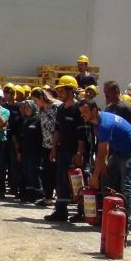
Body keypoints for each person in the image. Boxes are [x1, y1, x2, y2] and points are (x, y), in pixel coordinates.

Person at [80, 100, 131, 224]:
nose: (82, 115)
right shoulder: (97, 122)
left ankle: (125, 220)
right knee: (107, 181)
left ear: (94, 110)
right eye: (81, 112)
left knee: (126, 185)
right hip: (119, 152)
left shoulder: (104, 124)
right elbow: (105, 149)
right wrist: (104, 163)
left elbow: (101, 151)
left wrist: (94, 177)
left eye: (85, 112)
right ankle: (109, 215)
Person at [45, 75, 89, 222]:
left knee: (78, 182)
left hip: (75, 151)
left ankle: (82, 212)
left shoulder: (79, 108)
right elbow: (57, 129)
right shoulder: (61, 109)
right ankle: (61, 211)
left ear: (70, 90)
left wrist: (79, 153)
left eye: (62, 91)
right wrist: (54, 148)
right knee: (61, 181)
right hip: (63, 150)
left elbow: (82, 133)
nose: (60, 94)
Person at [17, 99, 45, 203]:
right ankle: (29, 194)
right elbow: (22, 138)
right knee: (26, 172)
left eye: (29, 107)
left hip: (35, 152)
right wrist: (19, 152)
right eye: (25, 107)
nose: (26, 109)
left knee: (34, 172)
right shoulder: (26, 120)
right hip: (25, 151)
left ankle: (39, 194)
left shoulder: (38, 120)